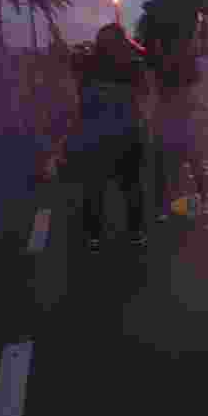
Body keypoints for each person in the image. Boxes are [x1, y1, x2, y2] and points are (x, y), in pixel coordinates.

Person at [66, 23, 150, 252]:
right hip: (127, 135)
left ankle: (94, 236)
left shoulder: (86, 65)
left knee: (94, 188)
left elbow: (77, 102)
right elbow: (144, 97)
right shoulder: (133, 65)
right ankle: (136, 233)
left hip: (95, 137)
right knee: (131, 187)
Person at [152, 27, 208, 222]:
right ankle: (203, 199)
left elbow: (158, 93)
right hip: (184, 120)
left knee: (167, 166)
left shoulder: (163, 66)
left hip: (168, 120)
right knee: (194, 162)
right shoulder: (186, 66)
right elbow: (192, 94)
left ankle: (164, 207)